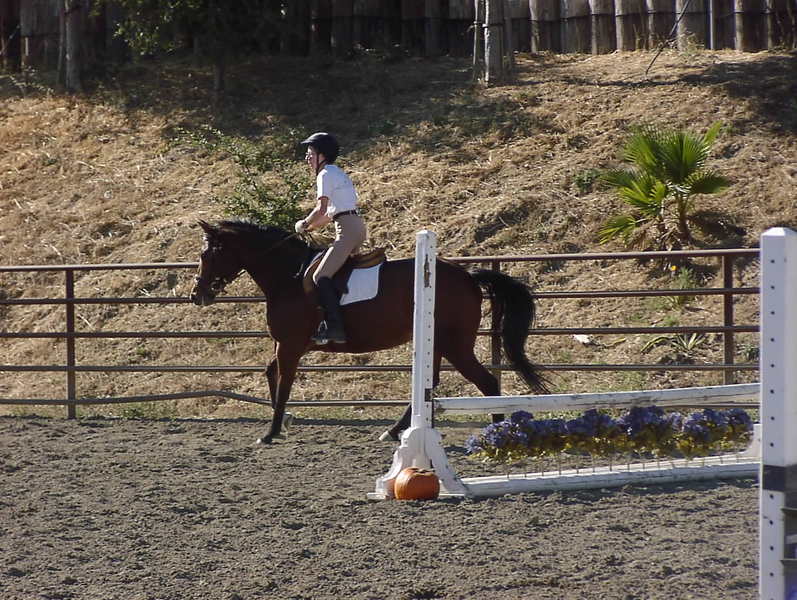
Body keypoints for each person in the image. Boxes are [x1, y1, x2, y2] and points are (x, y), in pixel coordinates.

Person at [295, 132, 366, 345]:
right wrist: (310, 227)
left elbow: (321, 208)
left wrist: (304, 224)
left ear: (322, 155)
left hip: (347, 229)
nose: (307, 158)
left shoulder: (324, 174)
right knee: (338, 274)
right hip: (355, 226)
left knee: (320, 276)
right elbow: (328, 215)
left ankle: (334, 327)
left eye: (310, 153)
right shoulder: (337, 172)